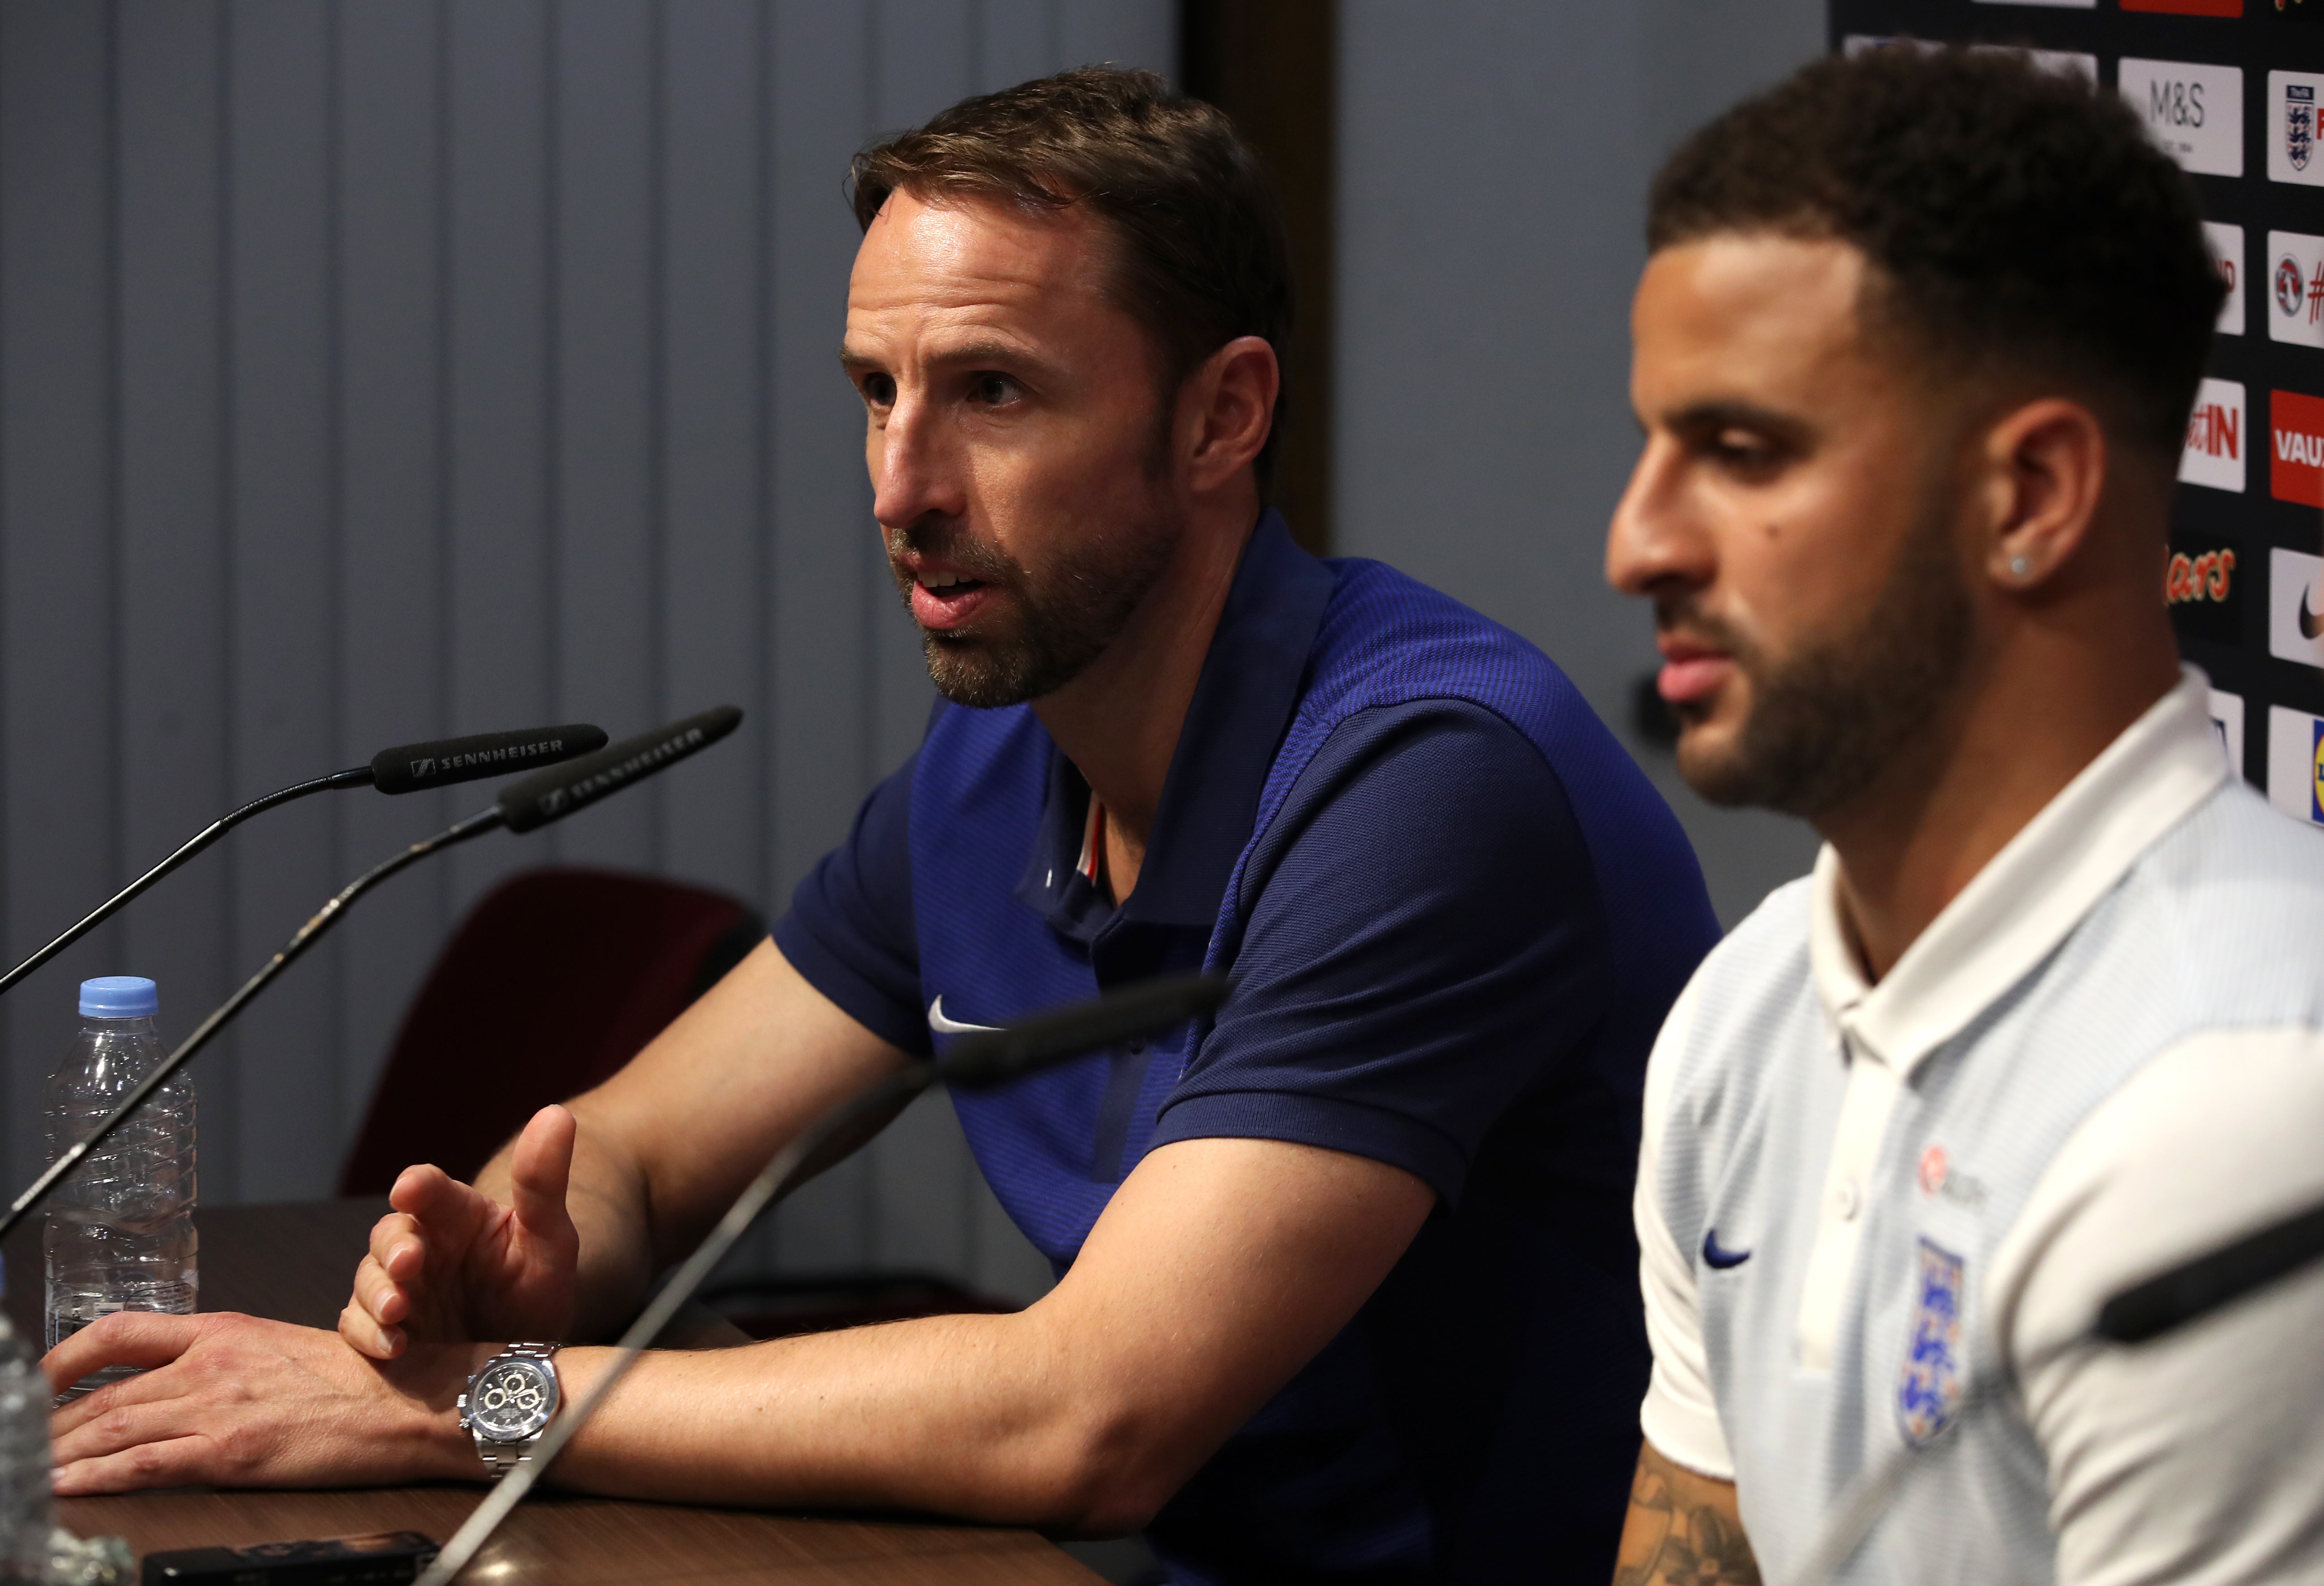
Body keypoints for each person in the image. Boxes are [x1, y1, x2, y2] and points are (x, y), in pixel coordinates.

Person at [44, 68, 1718, 1584]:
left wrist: (467, 1406)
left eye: (989, 393)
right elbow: (633, 1155)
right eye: (875, 391)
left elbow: (1094, 1415)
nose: (897, 489)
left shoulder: (1423, 783)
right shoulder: (994, 759)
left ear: (1222, 416)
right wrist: (508, 1277)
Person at [1603, 45, 2324, 1586]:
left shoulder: (2250, 1110)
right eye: (1651, 444)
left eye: (1740, 454)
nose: (1636, 540)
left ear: (2028, 498)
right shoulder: (1739, 1013)